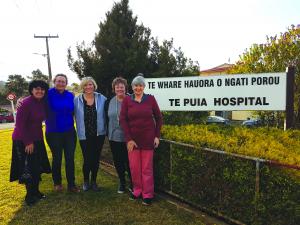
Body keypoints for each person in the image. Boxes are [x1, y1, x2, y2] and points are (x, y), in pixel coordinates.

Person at [120, 74, 162, 206]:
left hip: (148, 139)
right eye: (135, 85)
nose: (138, 88)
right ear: (132, 87)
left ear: (144, 86)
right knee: (134, 168)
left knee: (146, 169)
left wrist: (157, 136)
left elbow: (159, 118)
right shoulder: (127, 100)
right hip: (133, 141)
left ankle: (148, 194)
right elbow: (123, 120)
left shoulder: (150, 99)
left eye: (140, 85)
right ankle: (137, 190)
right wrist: (129, 139)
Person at [10, 80, 51, 206]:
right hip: (23, 140)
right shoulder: (26, 103)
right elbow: (20, 125)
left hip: (37, 139)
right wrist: (28, 142)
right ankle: (29, 195)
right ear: (32, 90)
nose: (39, 91)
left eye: (42, 89)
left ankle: (36, 191)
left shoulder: (42, 102)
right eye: (36, 89)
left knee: (37, 166)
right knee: (27, 168)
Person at [45, 74, 80, 193]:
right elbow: (34, 98)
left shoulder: (70, 95)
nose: (61, 83)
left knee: (70, 158)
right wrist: (20, 100)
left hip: (69, 132)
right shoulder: (47, 93)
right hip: (53, 132)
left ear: (66, 83)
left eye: (63, 82)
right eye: (59, 81)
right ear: (54, 82)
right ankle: (57, 183)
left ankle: (71, 184)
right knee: (57, 158)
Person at [74, 77, 107, 191]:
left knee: (96, 159)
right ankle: (86, 181)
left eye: (90, 85)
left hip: (99, 134)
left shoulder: (102, 98)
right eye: (86, 85)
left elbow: (115, 102)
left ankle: (93, 181)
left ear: (94, 86)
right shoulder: (77, 100)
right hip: (84, 135)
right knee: (87, 159)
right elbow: (64, 110)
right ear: (83, 87)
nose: (88, 87)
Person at [107, 77, 132, 194]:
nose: (119, 89)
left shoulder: (132, 99)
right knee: (118, 161)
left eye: (121, 86)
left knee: (129, 161)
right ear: (114, 88)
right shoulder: (111, 101)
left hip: (129, 137)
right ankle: (122, 182)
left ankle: (132, 182)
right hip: (114, 136)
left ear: (125, 88)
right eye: (117, 87)